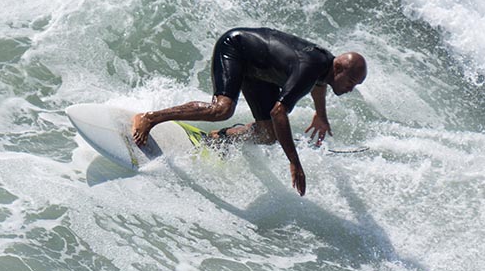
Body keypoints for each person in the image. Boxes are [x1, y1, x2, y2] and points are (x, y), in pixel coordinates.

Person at [132, 27, 367, 196]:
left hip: (261, 71)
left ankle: (218, 139)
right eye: (351, 81)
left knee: (268, 135)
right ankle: (150, 118)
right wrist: (294, 162)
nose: (351, 88)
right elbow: (278, 112)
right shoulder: (310, 67)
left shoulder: (324, 68)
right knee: (222, 109)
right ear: (338, 68)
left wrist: (321, 116)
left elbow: (320, 84)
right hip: (237, 49)